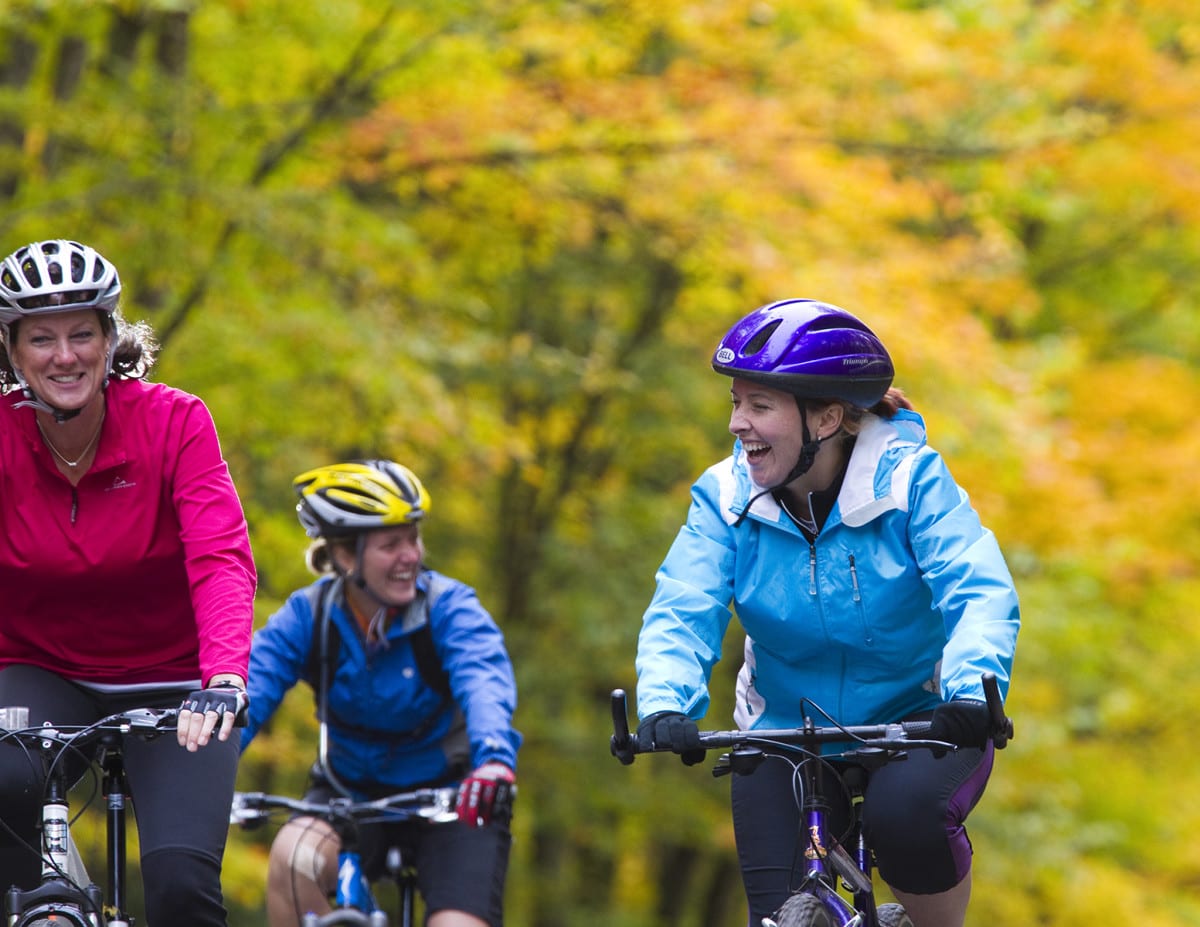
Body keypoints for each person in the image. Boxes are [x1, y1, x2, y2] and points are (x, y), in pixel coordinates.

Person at [633, 298, 1019, 927]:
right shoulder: (725, 496)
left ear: (827, 417)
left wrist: (972, 691)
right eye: (736, 402)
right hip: (786, 726)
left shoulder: (910, 483)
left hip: (919, 721)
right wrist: (665, 702)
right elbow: (685, 601)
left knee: (906, 820)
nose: (737, 423)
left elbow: (977, 587)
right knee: (783, 913)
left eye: (759, 406)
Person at [0, 239, 256, 924]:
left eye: (83, 333)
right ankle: (47, 904)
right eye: (41, 338)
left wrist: (225, 676)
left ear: (111, 340)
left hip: (176, 684)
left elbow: (219, 556)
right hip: (41, 668)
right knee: (3, 787)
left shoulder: (176, 422)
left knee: (179, 885)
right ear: (13, 351)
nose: (65, 355)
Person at [241, 459, 521, 927]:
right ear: (347, 557)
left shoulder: (450, 609)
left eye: (413, 538)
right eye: (392, 544)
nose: (411, 555)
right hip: (347, 795)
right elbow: (250, 689)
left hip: (454, 798)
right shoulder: (309, 616)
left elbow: (483, 678)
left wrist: (493, 758)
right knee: (292, 860)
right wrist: (203, 763)